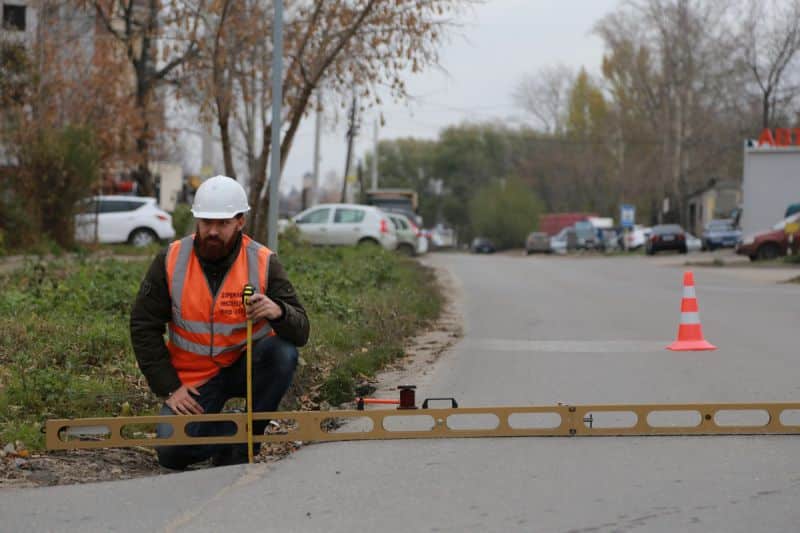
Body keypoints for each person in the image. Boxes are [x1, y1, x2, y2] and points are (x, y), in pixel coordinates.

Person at [130, 175, 309, 469]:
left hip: (245, 366)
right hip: (195, 379)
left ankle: (249, 439)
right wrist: (170, 387)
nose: (212, 231)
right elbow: (143, 324)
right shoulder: (171, 260)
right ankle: (230, 434)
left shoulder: (263, 262)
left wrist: (277, 311)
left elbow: (301, 330)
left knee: (283, 353)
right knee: (172, 452)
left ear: (240, 222)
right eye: (205, 222)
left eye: (222, 223)